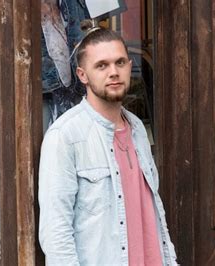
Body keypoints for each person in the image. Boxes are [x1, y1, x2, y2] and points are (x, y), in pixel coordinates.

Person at [38, 28, 177, 265]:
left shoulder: (137, 129)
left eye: (120, 62)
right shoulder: (66, 135)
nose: (113, 72)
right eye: (101, 65)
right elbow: (55, 232)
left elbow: (152, 211)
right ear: (83, 75)